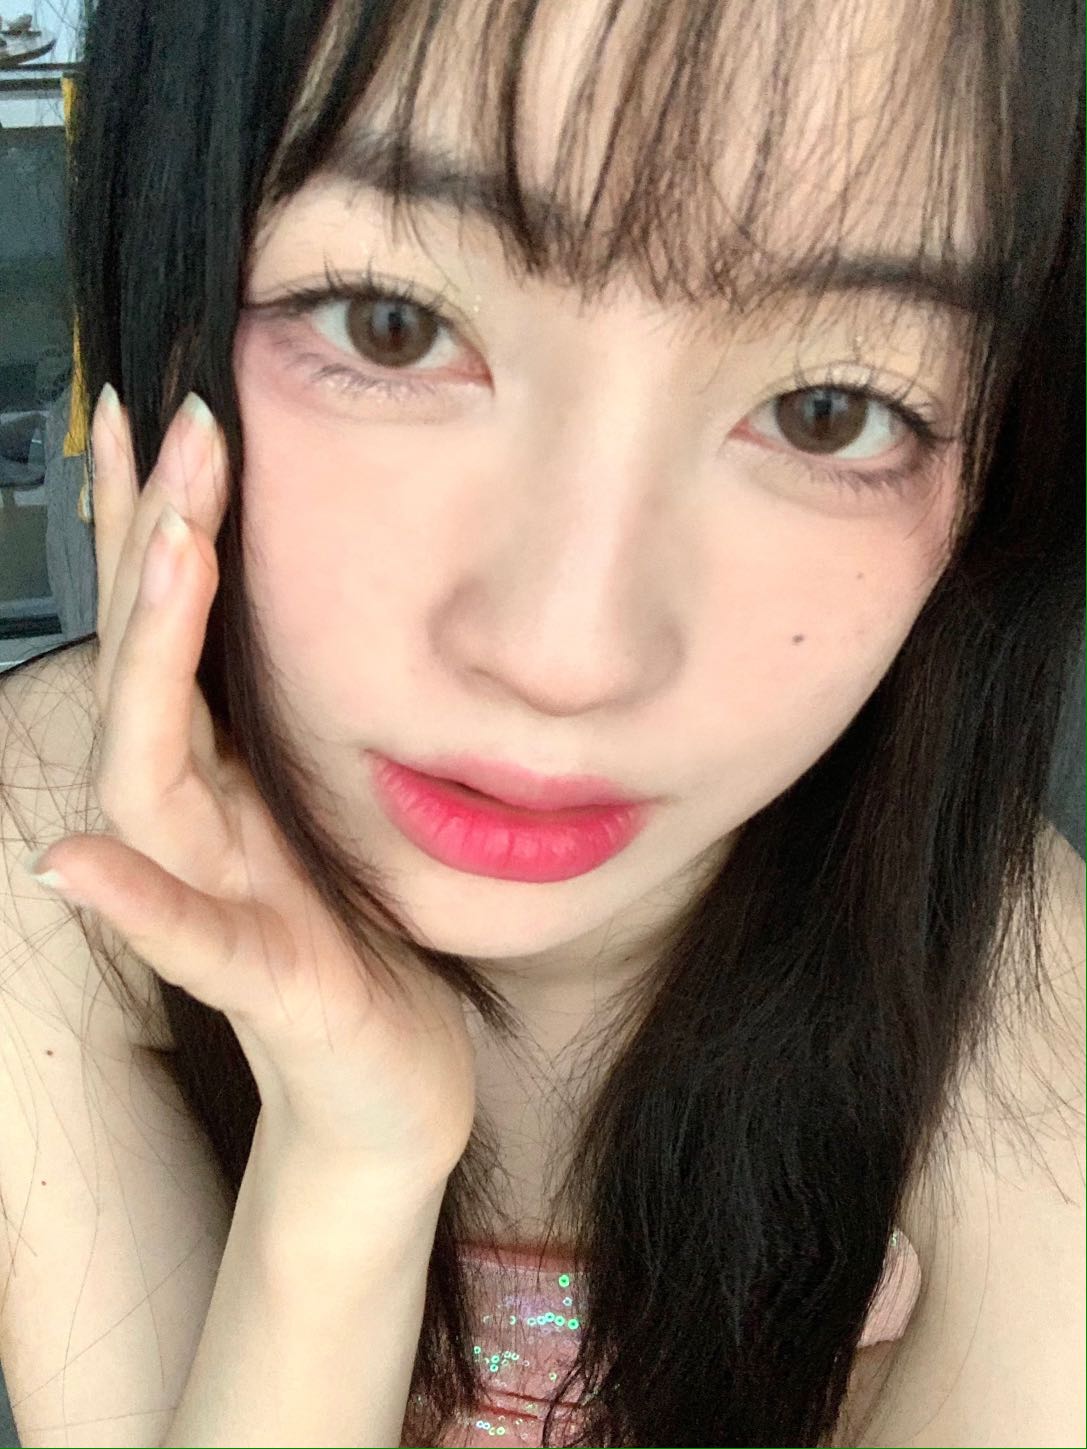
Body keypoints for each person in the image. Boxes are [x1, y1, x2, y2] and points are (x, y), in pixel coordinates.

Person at [0, 0, 1083, 1444]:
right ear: (176, 275)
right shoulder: (53, 849)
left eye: (830, 410)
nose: (567, 657)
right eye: (392, 325)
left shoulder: (1025, 1001)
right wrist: (346, 1169)